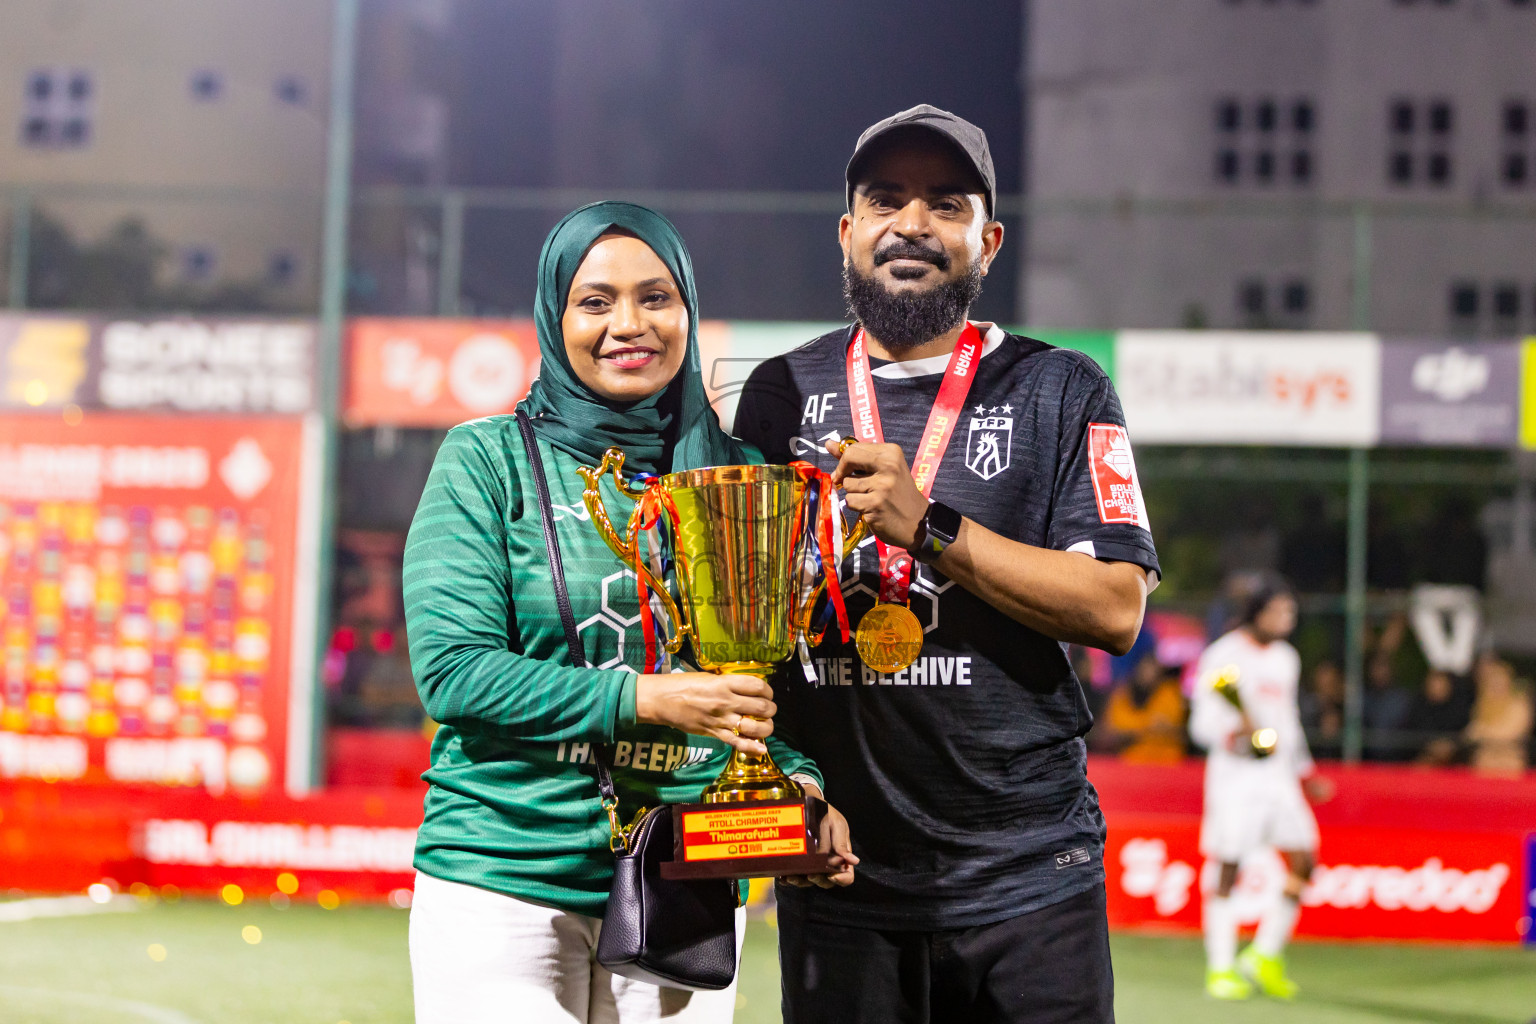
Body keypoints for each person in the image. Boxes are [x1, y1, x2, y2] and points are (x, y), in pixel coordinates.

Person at [735, 105, 1160, 1024]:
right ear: (848, 231)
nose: (913, 223)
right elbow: (744, 633)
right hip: (839, 877)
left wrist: (929, 527)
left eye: (947, 203)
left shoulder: (1062, 386)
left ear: (988, 241)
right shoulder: (778, 392)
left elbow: (1117, 607)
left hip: (1028, 882)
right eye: (886, 199)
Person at [402, 202, 854, 1024]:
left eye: (655, 297)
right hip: (503, 874)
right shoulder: (485, 460)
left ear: (688, 310)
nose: (629, 324)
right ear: (555, 316)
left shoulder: (736, 477)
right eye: (595, 301)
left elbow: (754, 691)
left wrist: (798, 785)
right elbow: (453, 674)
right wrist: (649, 699)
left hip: (686, 878)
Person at [1189, 577, 1331, 1002]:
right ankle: (1220, 967)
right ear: (1258, 611)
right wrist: (1233, 736)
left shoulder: (1287, 658)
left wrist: (1305, 770)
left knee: (1305, 859)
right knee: (1228, 867)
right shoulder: (1224, 654)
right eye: (1280, 610)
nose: (1288, 619)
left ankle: (1264, 954)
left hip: (1279, 777)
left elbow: (1288, 719)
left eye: (1291, 611)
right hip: (1236, 777)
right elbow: (1201, 722)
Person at [1096, 637, 1187, 765]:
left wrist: (1164, 729)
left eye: (1152, 667)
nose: (1149, 672)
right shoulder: (1122, 694)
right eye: (1144, 666)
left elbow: (1181, 730)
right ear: (1136, 668)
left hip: (1168, 762)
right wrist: (1145, 728)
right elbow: (1111, 730)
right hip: (1132, 762)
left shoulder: (1170, 692)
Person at [1464, 654, 1533, 776]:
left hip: (1510, 763)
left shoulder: (1518, 705)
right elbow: (1470, 733)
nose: (1496, 685)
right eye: (1493, 682)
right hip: (1484, 764)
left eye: (1500, 681)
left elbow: (1511, 733)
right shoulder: (1481, 705)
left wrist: (1481, 732)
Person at [1405, 668, 1471, 766]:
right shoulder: (1417, 707)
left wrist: (1450, 746)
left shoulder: (1460, 707)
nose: (1437, 687)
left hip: (1456, 757)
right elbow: (1412, 733)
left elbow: (1465, 732)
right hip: (1424, 755)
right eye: (1434, 683)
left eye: (1441, 683)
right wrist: (1431, 747)